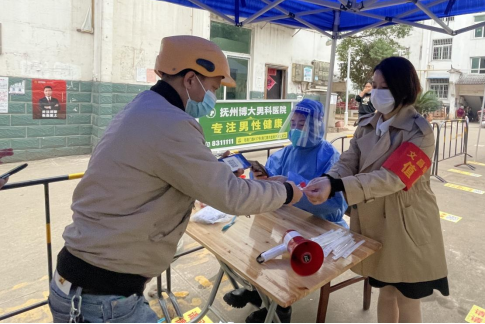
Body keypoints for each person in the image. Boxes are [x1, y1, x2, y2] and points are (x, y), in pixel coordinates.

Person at [48, 36, 303, 323]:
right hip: (103, 299)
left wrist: (215, 170)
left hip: (87, 285)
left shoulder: (144, 107)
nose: (212, 96)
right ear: (191, 79)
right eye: (213, 87)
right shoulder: (171, 123)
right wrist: (285, 191)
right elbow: (232, 196)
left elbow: (168, 169)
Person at [304, 57, 448, 323]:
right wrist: (328, 179)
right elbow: (349, 160)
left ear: (403, 89)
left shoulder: (420, 132)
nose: (377, 93)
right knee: (385, 289)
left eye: (385, 87)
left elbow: (392, 178)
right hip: (374, 220)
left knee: (407, 296)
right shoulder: (368, 124)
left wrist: (337, 185)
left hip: (406, 222)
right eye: (375, 85)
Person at [223, 99, 347, 323]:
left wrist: (292, 185)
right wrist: (261, 178)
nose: (296, 129)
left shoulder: (330, 157)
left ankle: (281, 307)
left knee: (290, 252)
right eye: (294, 123)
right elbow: (270, 180)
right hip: (287, 219)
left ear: (317, 126)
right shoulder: (287, 153)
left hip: (320, 224)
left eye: (302, 125)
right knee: (260, 235)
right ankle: (257, 289)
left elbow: (335, 204)